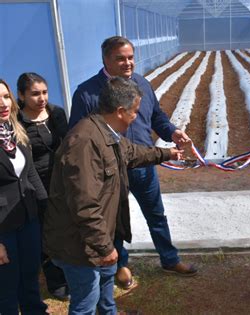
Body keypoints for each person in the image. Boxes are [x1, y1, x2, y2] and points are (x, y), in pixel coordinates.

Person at [43, 77, 183, 314]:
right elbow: (84, 206)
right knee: (85, 302)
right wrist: (105, 247)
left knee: (106, 287)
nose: (137, 117)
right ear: (120, 111)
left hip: (97, 238)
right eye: (135, 112)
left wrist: (167, 153)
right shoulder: (84, 143)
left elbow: (132, 152)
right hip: (79, 244)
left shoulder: (106, 133)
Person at [68, 36, 197, 288]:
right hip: (110, 171)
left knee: (156, 214)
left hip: (144, 165)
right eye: (120, 58)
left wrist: (172, 132)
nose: (128, 63)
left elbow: (157, 116)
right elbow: (78, 134)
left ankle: (170, 259)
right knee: (113, 220)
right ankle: (120, 265)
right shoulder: (87, 93)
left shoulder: (142, 84)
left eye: (130, 57)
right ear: (105, 60)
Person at [17, 72, 69, 300]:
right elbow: (27, 164)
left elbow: (67, 146)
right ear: (21, 95)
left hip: (62, 181)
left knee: (66, 229)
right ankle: (55, 280)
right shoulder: (17, 122)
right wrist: (43, 197)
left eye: (45, 92)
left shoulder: (56, 113)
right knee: (45, 234)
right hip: (35, 183)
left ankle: (70, 273)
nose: (42, 98)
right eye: (35, 94)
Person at [0, 79, 48, 314]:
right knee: (6, 286)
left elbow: (30, 174)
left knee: (30, 275)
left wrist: (46, 209)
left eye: (6, 97)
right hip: (3, 227)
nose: (3, 103)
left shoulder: (15, 131)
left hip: (28, 218)